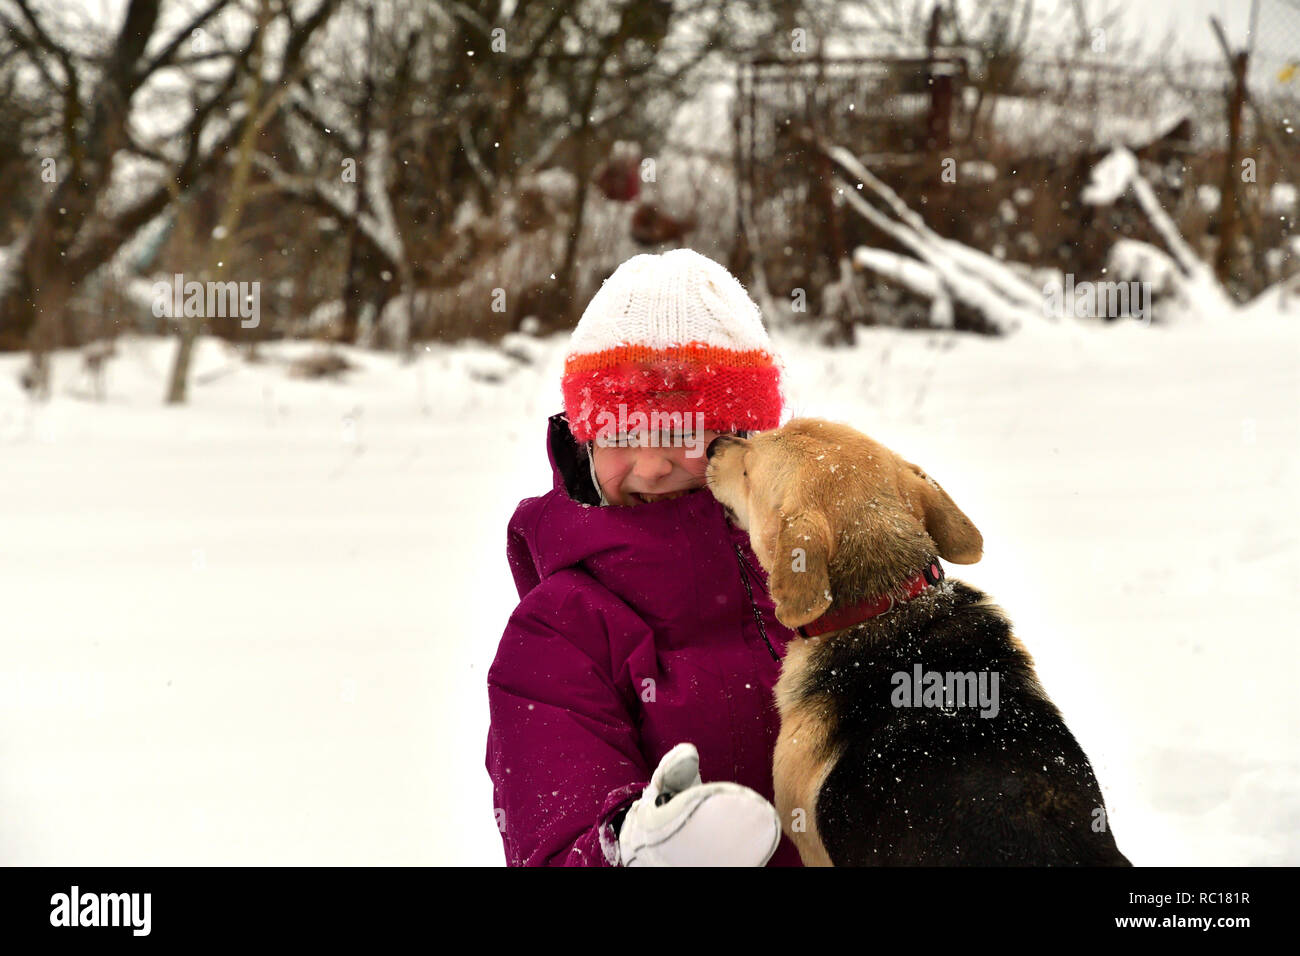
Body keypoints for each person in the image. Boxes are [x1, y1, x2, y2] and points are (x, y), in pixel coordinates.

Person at [485, 248, 802, 866]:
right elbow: (557, 834)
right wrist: (636, 850)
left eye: (682, 433)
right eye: (622, 434)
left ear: (748, 437)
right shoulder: (558, 634)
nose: (652, 465)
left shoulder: (821, 571)